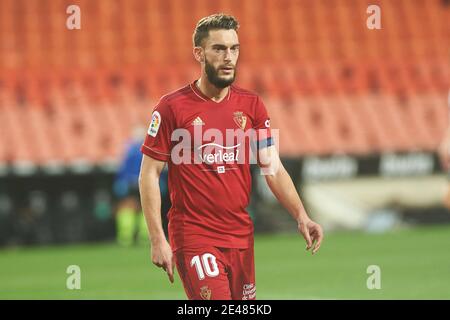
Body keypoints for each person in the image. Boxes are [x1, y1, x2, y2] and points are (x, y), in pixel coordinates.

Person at [139, 13, 323, 300]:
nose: (229, 57)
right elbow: (149, 174)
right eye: (219, 49)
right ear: (199, 53)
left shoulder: (252, 105)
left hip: (240, 235)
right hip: (194, 235)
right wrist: (157, 238)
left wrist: (301, 216)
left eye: (234, 49)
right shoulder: (171, 108)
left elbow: (272, 167)